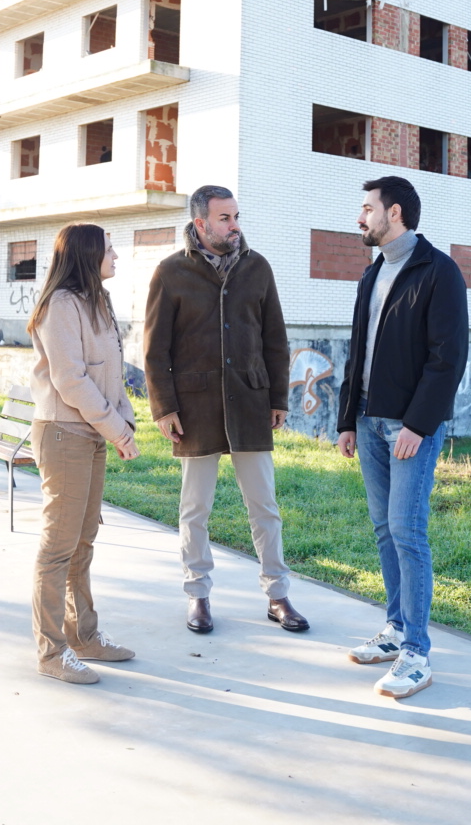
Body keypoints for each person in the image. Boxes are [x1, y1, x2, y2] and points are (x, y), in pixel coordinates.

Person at [145, 185, 309, 635]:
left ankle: (278, 595)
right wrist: (163, 408)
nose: (234, 225)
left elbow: (275, 339)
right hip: (194, 408)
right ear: (200, 223)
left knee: (265, 506)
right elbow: (156, 350)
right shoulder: (171, 272)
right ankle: (197, 594)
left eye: (236, 216)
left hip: (251, 403)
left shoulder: (258, 268)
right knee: (195, 508)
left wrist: (278, 398)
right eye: (225, 218)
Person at [335, 176, 466, 699]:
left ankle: (416, 653)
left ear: (394, 213)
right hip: (369, 420)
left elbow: (447, 358)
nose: (360, 217)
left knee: (407, 530)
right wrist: (347, 419)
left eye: (367, 208)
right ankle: (394, 629)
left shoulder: (439, 271)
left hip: (409, 426)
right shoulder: (372, 273)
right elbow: (357, 351)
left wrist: (418, 424)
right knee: (384, 529)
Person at [27, 223, 140, 684]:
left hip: (90, 434)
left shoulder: (98, 301)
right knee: (59, 546)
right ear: (86, 255)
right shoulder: (60, 305)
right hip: (63, 434)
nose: (116, 256)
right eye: (109, 249)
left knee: (84, 541)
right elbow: (70, 380)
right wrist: (116, 430)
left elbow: (112, 372)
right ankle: (51, 652)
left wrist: (125, 421)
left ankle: (83, 636)